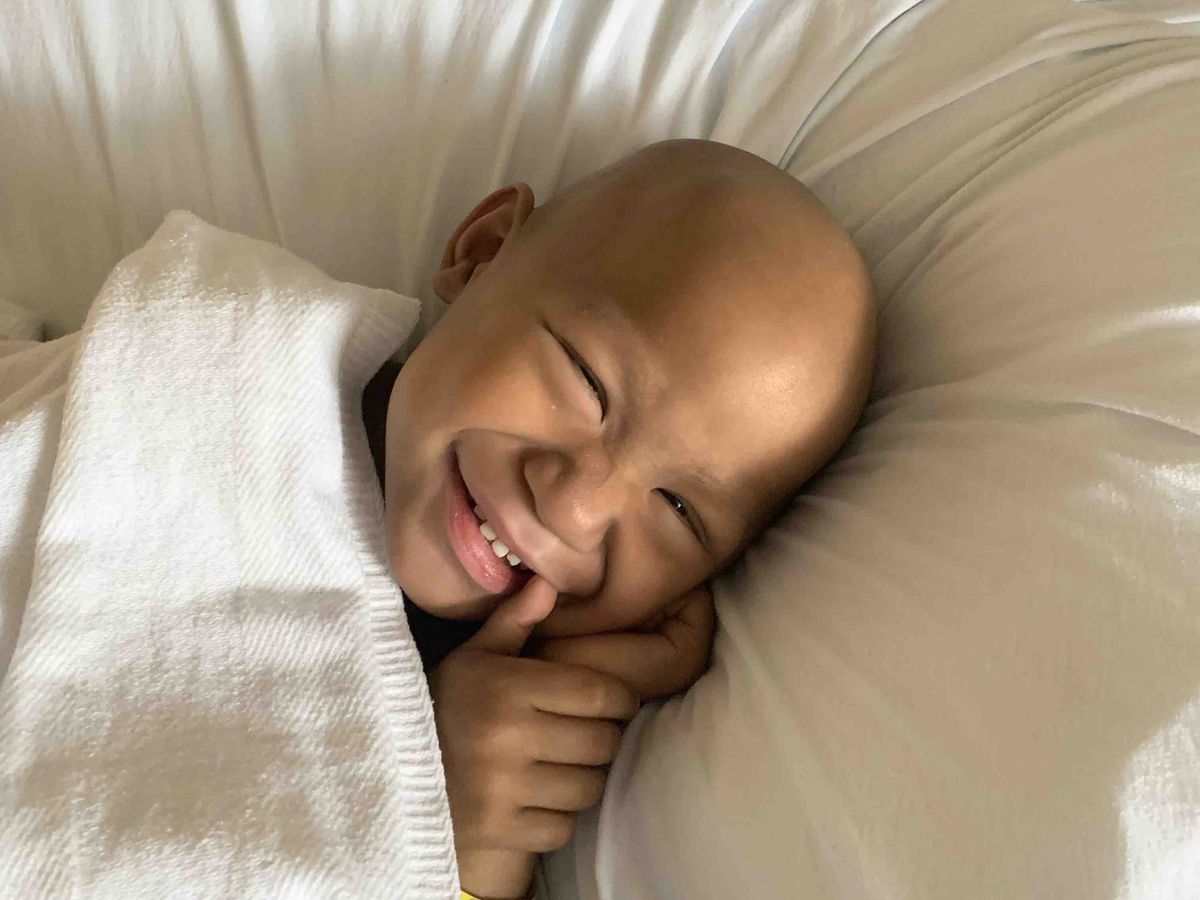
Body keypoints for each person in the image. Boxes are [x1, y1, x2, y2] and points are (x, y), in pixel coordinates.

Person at [360, 138, 876, 899]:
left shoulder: (507, 746)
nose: (575, 509)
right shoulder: (233, 366)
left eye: (679, 510)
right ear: (483, 252)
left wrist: (459, 841)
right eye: (588, 382)